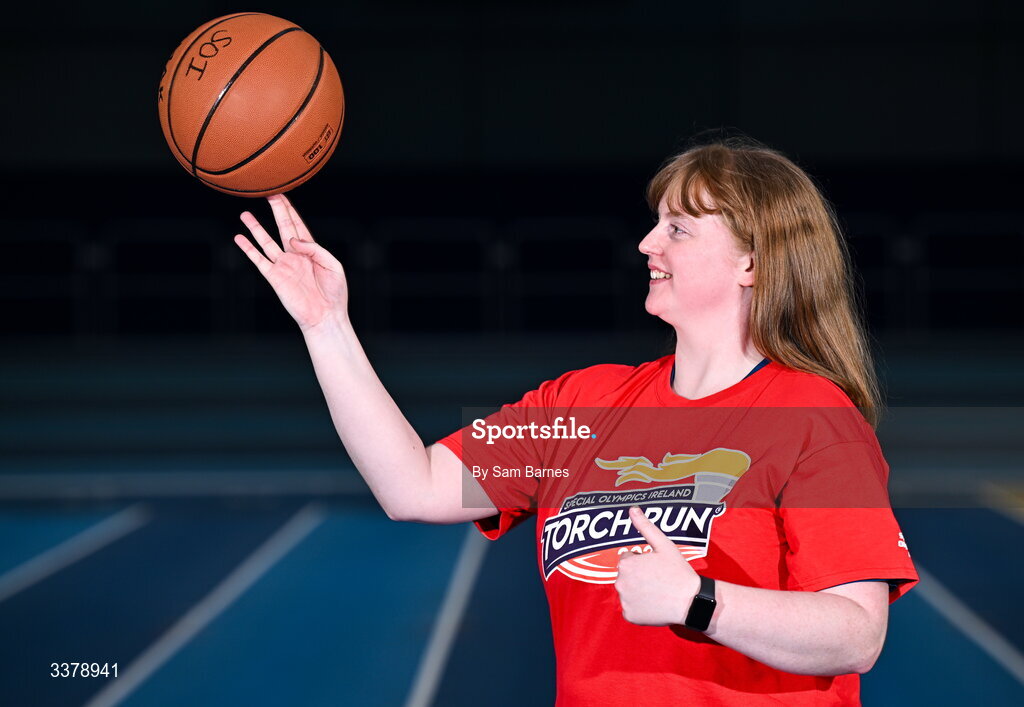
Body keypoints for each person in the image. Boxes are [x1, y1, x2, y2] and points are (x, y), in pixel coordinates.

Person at [233, 138, 918, 705]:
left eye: (677, 229)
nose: (647, 243)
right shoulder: (582, 404)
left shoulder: (813, 416)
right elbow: (412, 485)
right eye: (655, 223)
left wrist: (699, 601)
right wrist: (326, 326)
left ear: (752, 262)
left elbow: (857, 633)